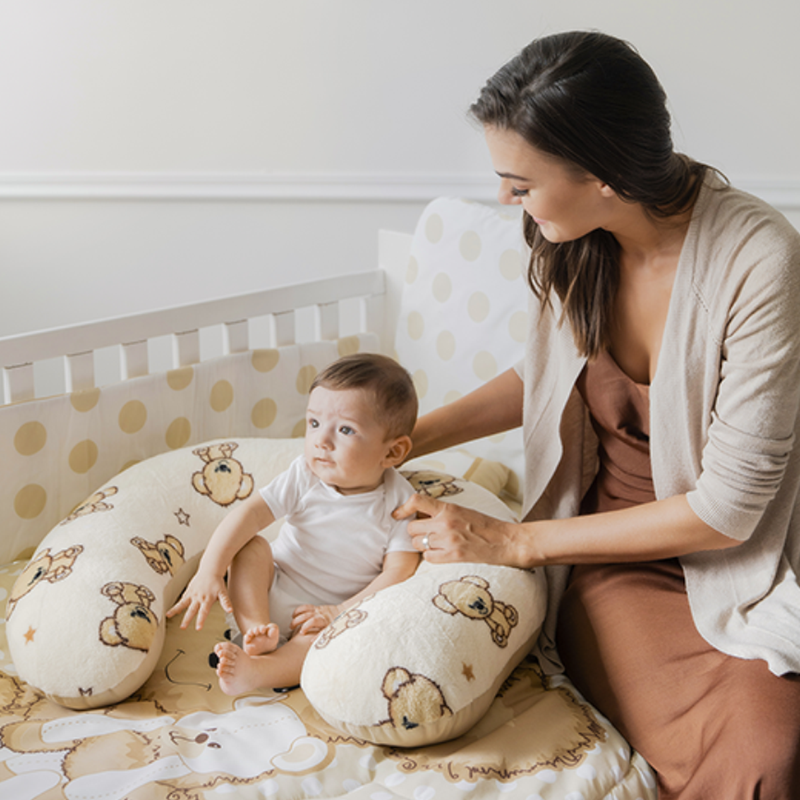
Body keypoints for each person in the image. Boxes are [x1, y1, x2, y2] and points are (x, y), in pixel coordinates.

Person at [392, 30, 800, 800]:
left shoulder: (758, 260)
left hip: (736, 552)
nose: (506, 201)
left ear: (604, 174)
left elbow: (728, 513)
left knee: (780, 738)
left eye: (520, 183)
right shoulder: (573, 239)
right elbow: (550, 377)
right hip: (607, 553)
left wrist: (514, 542)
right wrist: (415, 435)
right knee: (763, 751)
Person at [168, 353, 420, 695]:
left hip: (325, 616)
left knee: (319, 644)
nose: (322, 440)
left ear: (392, 453)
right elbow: (249, 514)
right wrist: (210, 570)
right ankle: (256, 632)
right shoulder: (305, 475)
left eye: (345, 430)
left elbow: (399, 573)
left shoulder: (401, 502)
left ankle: (259, 672)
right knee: (253, 547)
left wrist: (338, 612)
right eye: (314, 423)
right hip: (269, 589)